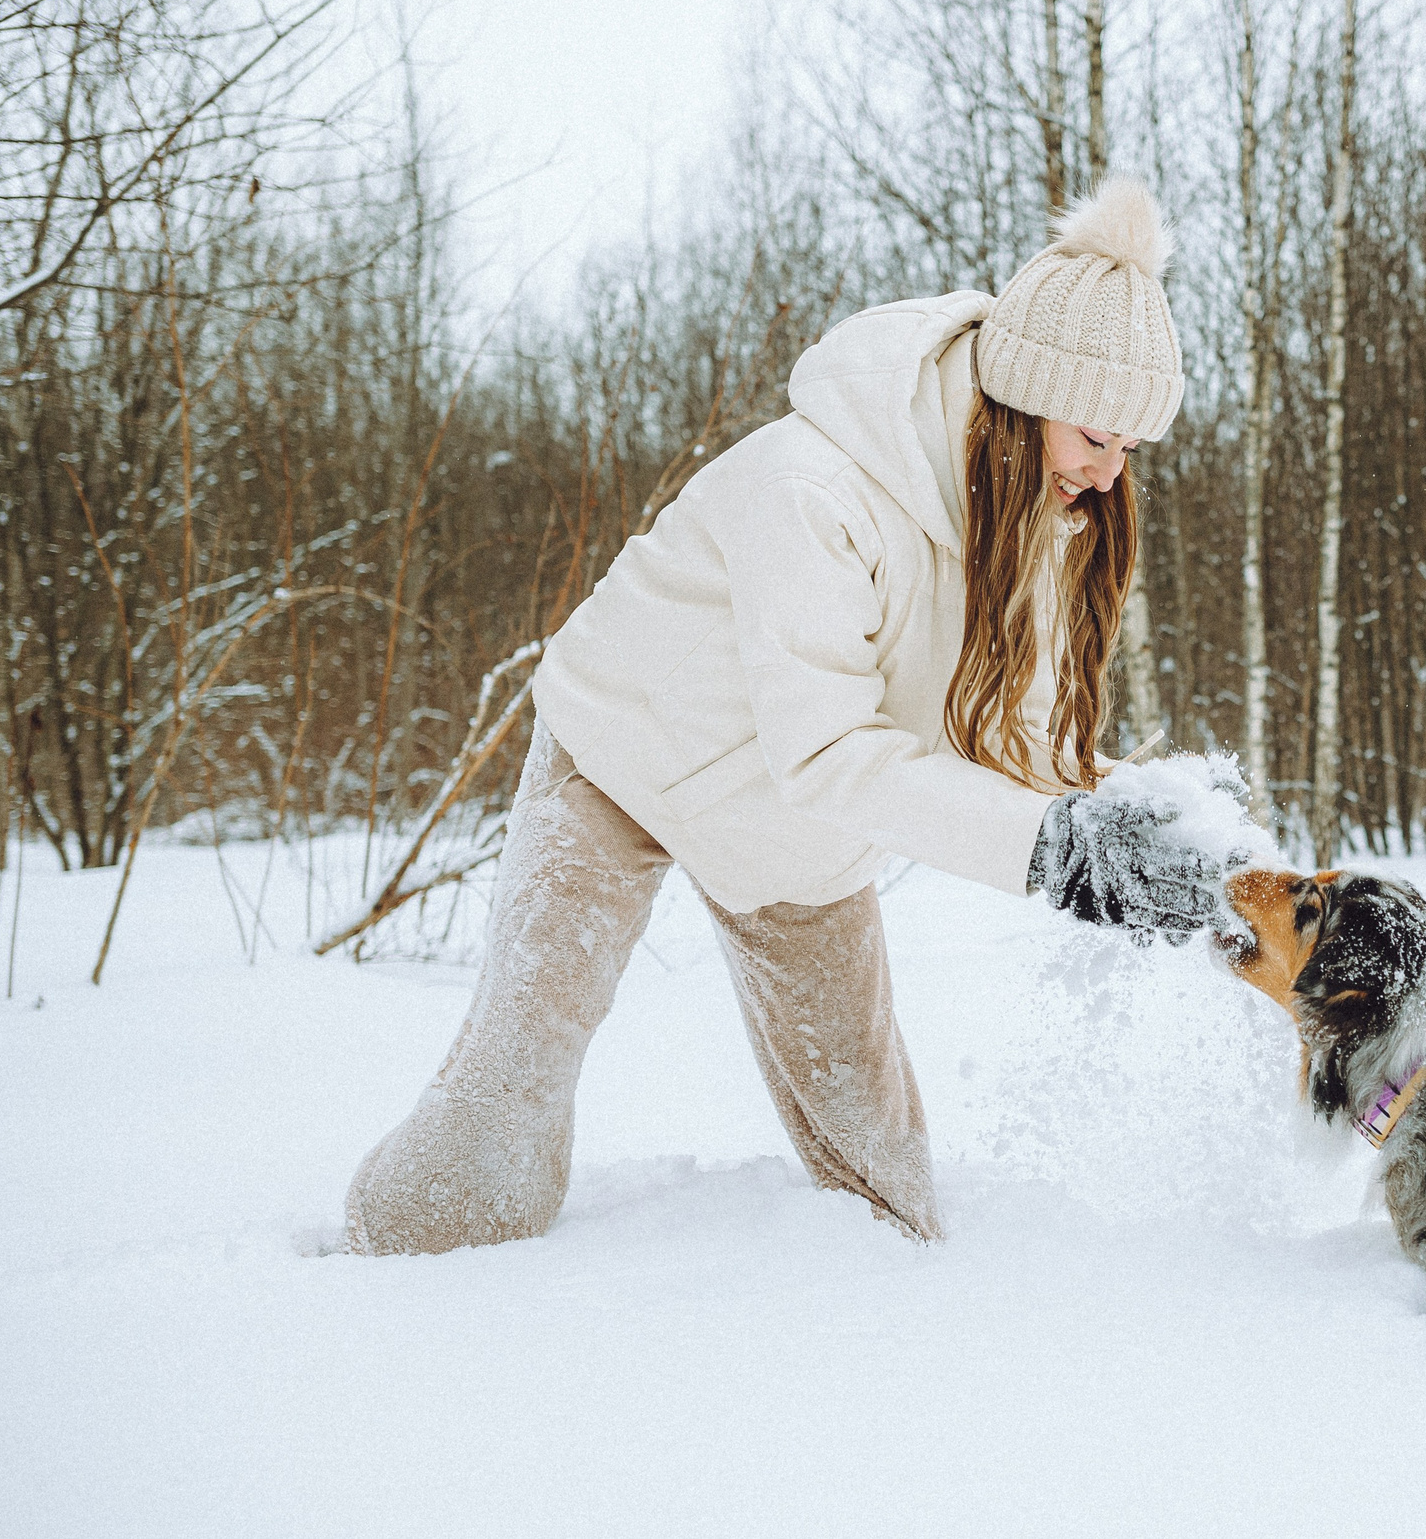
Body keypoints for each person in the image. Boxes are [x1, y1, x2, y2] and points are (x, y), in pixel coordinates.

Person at [344, 178, 1223, 1254]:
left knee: (876, 1154)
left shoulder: (1037, 522)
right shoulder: (812, 487)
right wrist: (1055, 854)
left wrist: (1135, 828)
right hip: (628, 757)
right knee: (511, 1088)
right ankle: (381, 1276)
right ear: (1024, 397)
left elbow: (1025, 742)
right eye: (1095, 434)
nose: (1108, 469)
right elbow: (828, 748)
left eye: (1132, 448)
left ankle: (884, 1313)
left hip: (787, 828)